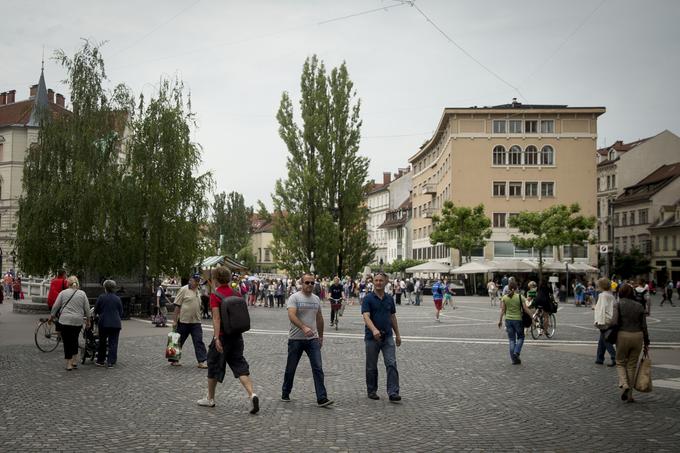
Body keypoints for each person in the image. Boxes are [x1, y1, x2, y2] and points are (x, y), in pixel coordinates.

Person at [197, 266, 259, 414]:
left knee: (213, 365)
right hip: (237, 336)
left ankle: (210, 398)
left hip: (223, 337)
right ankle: (252, 394)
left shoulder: (215, 295)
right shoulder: (236, 293)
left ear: (215, 279)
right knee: (240, 366)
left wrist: (216, 338)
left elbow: (216, 318)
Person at [281, 273, 333, 407]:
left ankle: (322, 397)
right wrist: (303, 327)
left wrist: (320, 336)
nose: (310, 285)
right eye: (307, 282)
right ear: (301, 283)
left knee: (318, 367)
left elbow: (319, 318)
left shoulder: (316, 299)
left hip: (312, 339)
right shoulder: (294, 297)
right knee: (291, 368)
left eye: (312, 283)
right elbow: (291, 315)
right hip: (296, 339)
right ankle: (285, 391)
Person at [362, 272, 402, 402]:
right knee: (371, 366)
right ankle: (372, 390)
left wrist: (398, 335)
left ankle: (393, 392)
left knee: (391, 364)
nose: (378, 283)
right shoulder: (368, 298)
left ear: (385, 282)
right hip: (372, 338)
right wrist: (374, 330)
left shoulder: (389, 298)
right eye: (376, 280)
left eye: (381, 280)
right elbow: (366, 316)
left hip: (388, 337)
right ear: (373, 282)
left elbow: (392, 317)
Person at [612, 283, 650, 402]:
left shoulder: (618, 304)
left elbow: (614, 322)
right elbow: (644, 326)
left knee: (620, 362)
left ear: (620, 293)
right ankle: (629, 396)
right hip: (638, 336)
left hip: (623, 335)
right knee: (632, 365)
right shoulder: (639, 306)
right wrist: (647, 341)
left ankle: (624, 384)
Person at [49, 276, 90, 371]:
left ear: (68, 283)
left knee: (67, 342)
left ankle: (68, 364)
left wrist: (51, 317)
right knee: (75, 339)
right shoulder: (82, 293)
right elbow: (87, 309)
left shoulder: (63, 293)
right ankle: (74, 361)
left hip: (65, 321)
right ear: (77, 283)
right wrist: (88, 320)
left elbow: (55, 306)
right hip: (77, 321)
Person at [172, 274, 208, 368]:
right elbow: (177, 305)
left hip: (196, 321)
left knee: (198, 341)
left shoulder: (198, 290)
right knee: (179, 341)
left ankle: (201, 361)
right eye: (193, 280)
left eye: (197, 281)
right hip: (184, 321)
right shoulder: (184, 289)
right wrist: (175, 320)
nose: (195, 282)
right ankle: (174, 360)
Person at [497, 281, 532, 365]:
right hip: (518, 320)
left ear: (508, 288)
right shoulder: (520, 297)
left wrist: (500, 320)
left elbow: (502, 310)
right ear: (516, 288)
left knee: (512, 340)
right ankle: (516, 352)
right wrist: (532, 316)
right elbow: (525, 309)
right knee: (521, 337)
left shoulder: (505, 297)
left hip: (508, 320)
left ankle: (514, 360)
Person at [94, 280, 123, 368]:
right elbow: (121, 311)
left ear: (105, 288)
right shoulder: (117, 298)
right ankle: (111, 362)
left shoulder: (101, 297)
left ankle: (101, 360)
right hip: (115, 323)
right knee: (113, 342)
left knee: (102, 342)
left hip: (104, 322)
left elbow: (96, 310)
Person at [593, 277, 616, 367]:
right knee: (602, 340)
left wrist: (599, 322)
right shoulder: (611, 295)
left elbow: (601, 309)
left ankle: (615, 358)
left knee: (606, 340)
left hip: (604, 320)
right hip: (610, 319)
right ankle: (599, 358)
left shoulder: (602, 295)